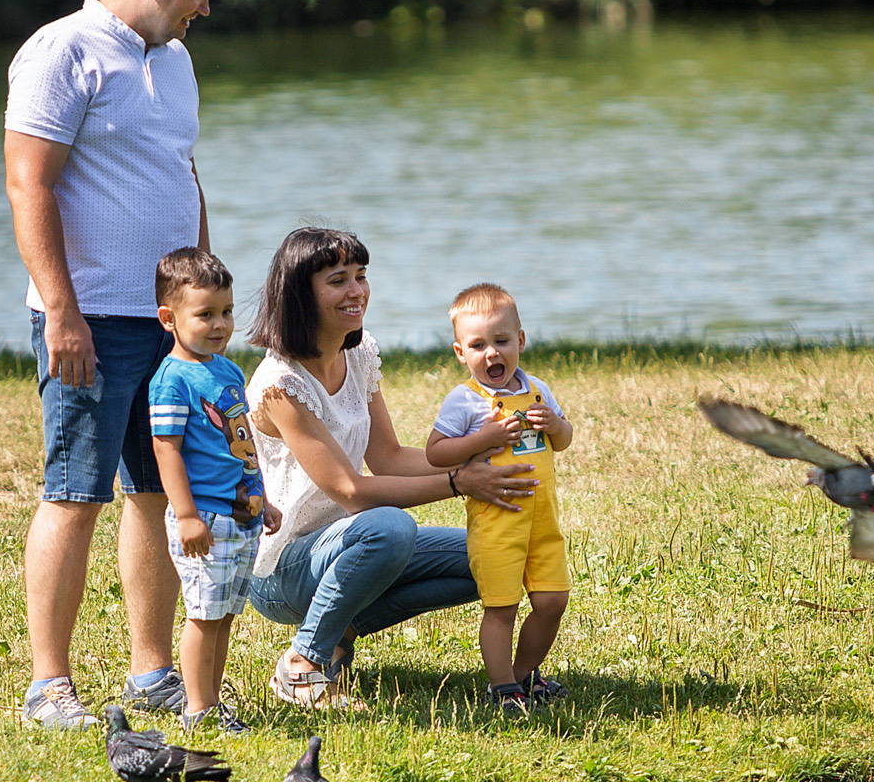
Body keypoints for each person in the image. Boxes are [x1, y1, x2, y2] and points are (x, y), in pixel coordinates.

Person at [3, 0, 227, 731]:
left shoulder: (174, 61)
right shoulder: (62, 50)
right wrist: (60, 309)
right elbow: (30, 184)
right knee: (75, 492)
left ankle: (152, 672)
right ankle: (48, 687)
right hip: (89, 318)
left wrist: (201, 297)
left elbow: (184, 172)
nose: (205, 8)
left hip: (168, 321)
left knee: (158, 495)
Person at [245, 227, 537, 712]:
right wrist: (457, 483)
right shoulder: (280, 383)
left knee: (492, 556)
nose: (356, 290)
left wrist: (483, 454)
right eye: (338, 280)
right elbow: (351, 490)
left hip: (351, 540)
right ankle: (303, 664)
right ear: (300, 292)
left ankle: (337, 631)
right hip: (283, 566)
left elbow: (389, 457)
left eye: (360, 276)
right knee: (389, 528)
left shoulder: (358, 355)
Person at [146, 247, 279, 736]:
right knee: (203, 615)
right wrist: (185, 516)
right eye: (205, 315)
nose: (220, 324)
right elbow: (167, 452)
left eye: (225, 312)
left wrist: (263, 496)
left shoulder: (226, 371)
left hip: (240, 513)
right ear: (169, 318)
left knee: (223, 616)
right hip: (203, 516)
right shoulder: (172, 380)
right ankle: (197, 710)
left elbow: (241, 442)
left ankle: (212, 701)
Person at [425, 283, 575, 712]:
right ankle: (503, 686)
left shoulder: (538, 390)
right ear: (460, 353)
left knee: (553, 600)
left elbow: (564, 439)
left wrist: (556, 426)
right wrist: (482, 437)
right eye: (478, 345)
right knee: (502, 606)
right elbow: (437, 452)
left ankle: (526, 675)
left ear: (520, 341)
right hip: (497, 521)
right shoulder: (466, 400)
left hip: (543, 521)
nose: (492, 353)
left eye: (501, 341)